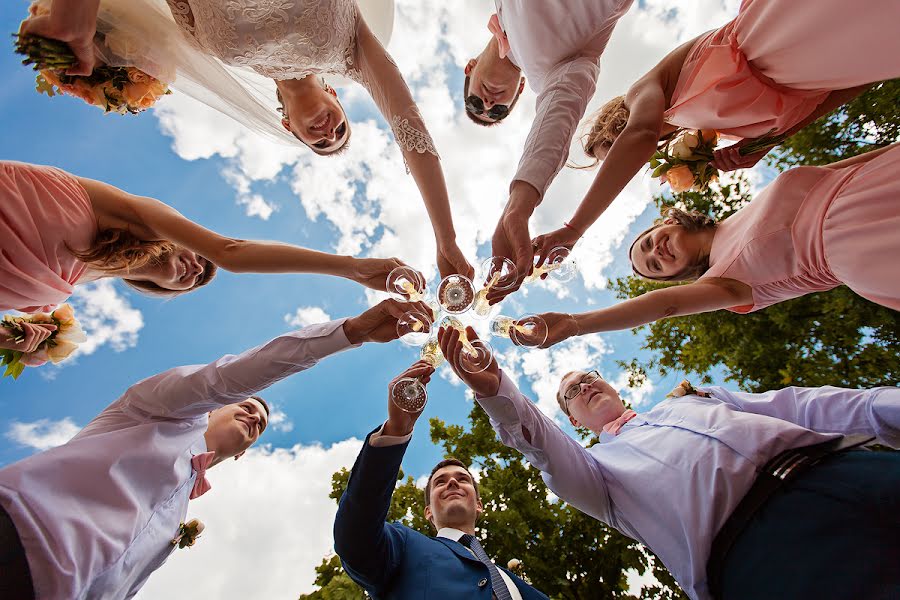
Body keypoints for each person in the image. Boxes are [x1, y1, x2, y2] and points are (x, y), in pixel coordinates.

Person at [0, 298, 429, 599]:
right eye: (246, 407)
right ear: (213, 410)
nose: (254, 417)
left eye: (260, 425)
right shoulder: (154, 413)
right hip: (18, 533)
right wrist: (351, 332)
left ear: (244, 452)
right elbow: (229, 377)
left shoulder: (178, 517)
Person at [19, 0, 473, 280]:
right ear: (336, 93)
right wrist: (445, 237)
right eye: (341, 131)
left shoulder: (207, 47)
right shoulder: (353, 47)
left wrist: (79, 24)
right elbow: (410, 128)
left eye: (321, 144)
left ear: (288, 127)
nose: (329, 132)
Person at [438, 326, 900, 600]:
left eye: (588, 379)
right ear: (575, 420)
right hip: (765, 553)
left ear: (612, 386)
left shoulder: (697, 398)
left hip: (852, 472)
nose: (583, 389)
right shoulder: (596, 476)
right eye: (570, 394)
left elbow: (802, 407)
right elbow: (538, 442)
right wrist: (494, 386)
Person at [530, 0, 900, 266]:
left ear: (613, 122)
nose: (619, 159)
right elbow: (830, 95)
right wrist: (762, 144)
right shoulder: (710, 130)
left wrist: (573, 230)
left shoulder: (645, 90)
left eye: (610, 147)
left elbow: (640, 134)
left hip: (784, 27)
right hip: (834, 68)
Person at [0, 160, 414, 357]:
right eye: (198, 262)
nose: (197, 269)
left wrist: (13, 339)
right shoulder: (139, 214)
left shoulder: (69, 287)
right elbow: (229, 252)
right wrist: (353, 267)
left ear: (159, 289)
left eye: (194, 281)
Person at [528, 142, 900, 348]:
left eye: (648, 245)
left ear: (666, 223)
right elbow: (666, 306)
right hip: (863, 245)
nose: (655, 253)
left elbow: (841, 169)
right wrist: (576, 323)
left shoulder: (749, 211)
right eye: (655, 267)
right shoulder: (724, 282)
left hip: (876, 180)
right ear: (678, 276)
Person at [334, 362, 550, 599]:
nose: (452, 483)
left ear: (479, 505)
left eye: (462, 479)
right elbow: (355, 538)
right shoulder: (404, 547)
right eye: (440, 482)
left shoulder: (514, 583)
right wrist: (396, 430)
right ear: (428, 512)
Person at [462, 0, 633, 293]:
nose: (488, 105)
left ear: (470, 68)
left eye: (475, 102)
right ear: (520, 89)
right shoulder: (553, 74)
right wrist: (518, 205)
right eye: (498, 111)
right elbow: (556, 117)